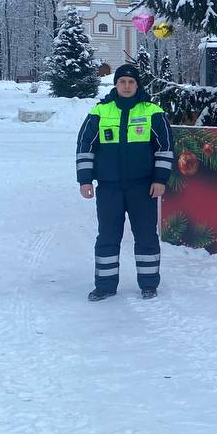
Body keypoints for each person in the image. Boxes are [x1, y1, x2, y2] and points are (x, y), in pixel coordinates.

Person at [76, 62, 175, 301]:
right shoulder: (100, 112)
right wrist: (85, 180)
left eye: (131, 82)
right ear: (116, 84)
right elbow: (84, 148)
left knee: (146, 237)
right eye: (122, 81)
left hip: (142, 187)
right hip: (109, 188)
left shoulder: (152, 112)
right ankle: (105, 286)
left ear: (137, 85)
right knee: (107, 237)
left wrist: (160, 180)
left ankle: (149, 284)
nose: (127, 85)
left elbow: (165, 148)